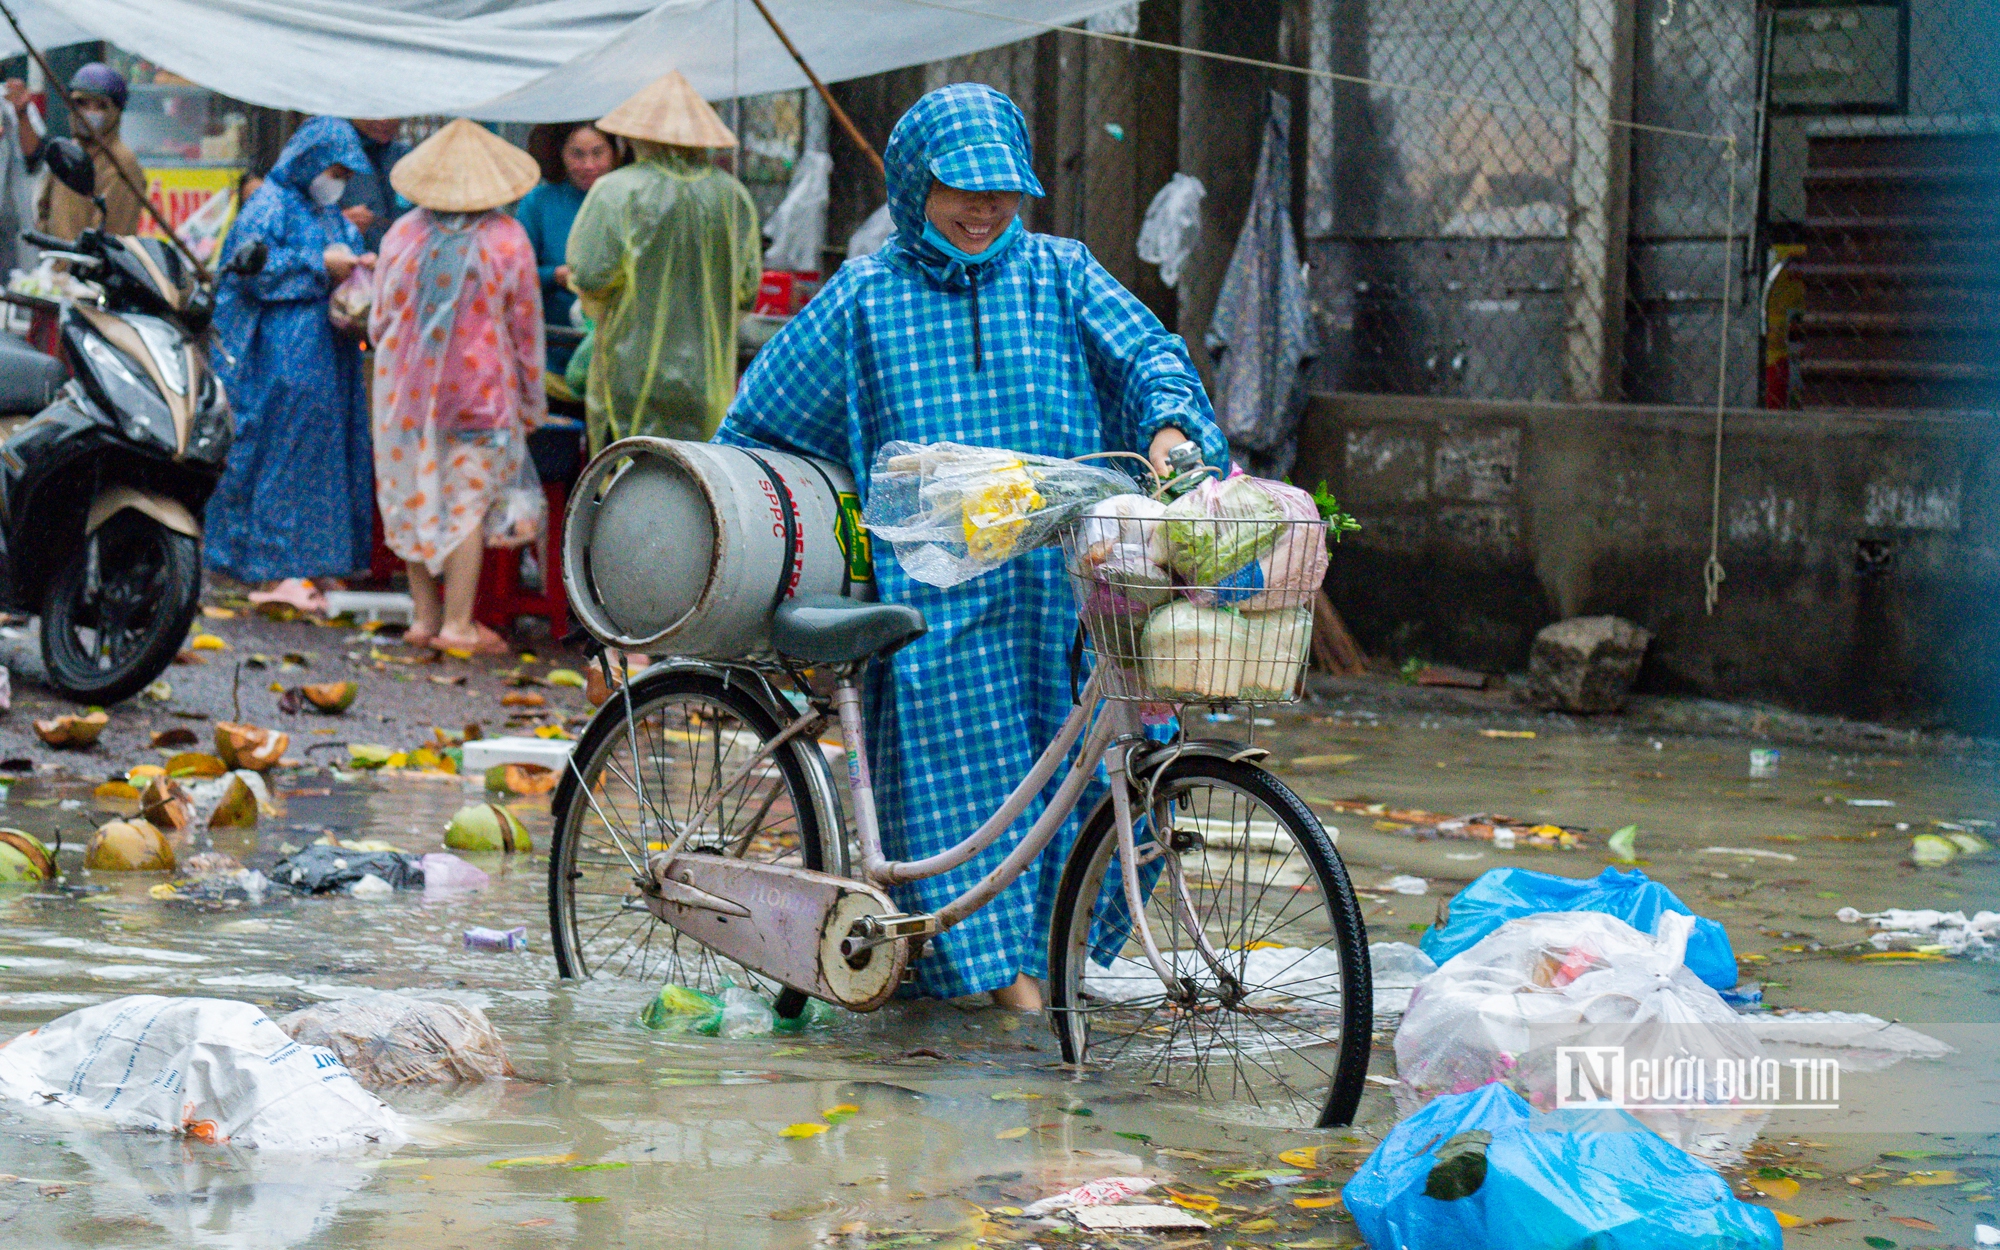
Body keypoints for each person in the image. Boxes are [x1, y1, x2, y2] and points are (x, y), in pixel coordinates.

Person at [714, 84, 1227, 1011]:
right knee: (968, 800)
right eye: (962, 189)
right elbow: (759, 427)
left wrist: (1169, 432)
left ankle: (1047, 977)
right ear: (915, 186)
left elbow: (1153, 356)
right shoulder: (865, 297)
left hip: (1071, 593)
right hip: (938, 615)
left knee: (1098, 786)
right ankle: (1020, 1007)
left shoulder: (1062, 274)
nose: (984, 209)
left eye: (1003, 191)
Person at [370, 120, 548, 655]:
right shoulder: (506, 239)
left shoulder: (401, 233)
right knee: (465, 505)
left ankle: (423, 618)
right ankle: (458, 624)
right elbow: (526, 330)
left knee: (414, 495)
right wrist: (533, 401)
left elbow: (379, 322)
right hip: (482, 396)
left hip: (404, 393)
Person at [204, 117, 376, 611]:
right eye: (333, 169)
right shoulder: (270, 204)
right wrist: (319, 266)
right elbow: (250, 268)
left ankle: (315, 562)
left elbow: (347, 253)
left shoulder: (328, 213)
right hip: (275, 358)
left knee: (324, 458)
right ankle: (269, 566)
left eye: (344, 172)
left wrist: (360, 274)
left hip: (327, 356)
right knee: (279, 456)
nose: (337, 180)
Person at [566, 71, 760, 453]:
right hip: (707, 381)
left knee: (629, 483)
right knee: (697, 487)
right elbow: (747, 289)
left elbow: (588, 274)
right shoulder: (732, 196)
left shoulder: (617, 191)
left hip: (630, 374)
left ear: (635, 135)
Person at [517, 121, 618, 377]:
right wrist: (554, 276)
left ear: (615, 153)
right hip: (551, 351)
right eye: (577, 154)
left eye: (598, 153)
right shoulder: (538, 203)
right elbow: (514, 274)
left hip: (616, 352)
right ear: (561, 154)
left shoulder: (627, 199)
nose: (588, 165)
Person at [12, 63, 145, 238]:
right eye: (82, 104)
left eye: (100, 106)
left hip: (90, 264)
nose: (89, 112)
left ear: (115, 111)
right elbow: (44, 209)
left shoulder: (121, 163)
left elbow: (111, 234)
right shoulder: (69, 152)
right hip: (56, 261)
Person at [338, 118, 410, 252]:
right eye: (375, 112)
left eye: (391, 112)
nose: (384, 120)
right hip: (352, 264)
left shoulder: (409, 159)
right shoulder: (333, 157)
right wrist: (339, 222)